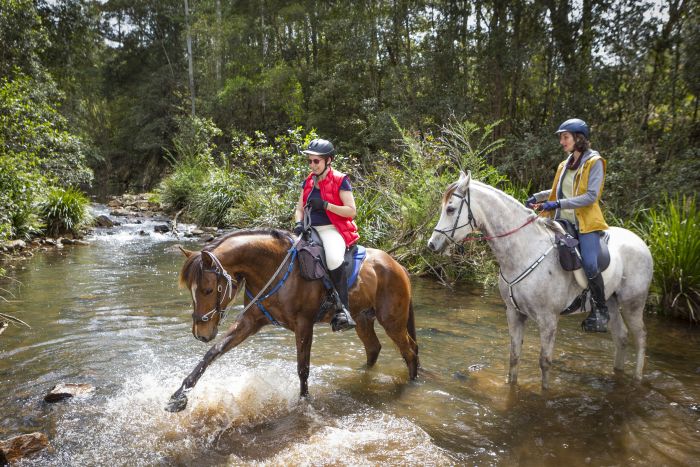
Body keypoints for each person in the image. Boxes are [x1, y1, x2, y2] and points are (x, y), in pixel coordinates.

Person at [526, 118, 610, 332]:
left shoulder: (595, 162)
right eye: (561, 137)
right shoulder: (565, 164)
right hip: (562, 221)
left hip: (586, 224)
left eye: (565, 137)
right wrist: (538, 197)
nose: (561, 141)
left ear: (578, 138)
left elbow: (590, 196)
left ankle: (600, 310)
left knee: (590, 264)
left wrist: (558, 203)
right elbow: (557, 191)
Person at [293, 138, 358, 332]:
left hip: (332, 229)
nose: (312, 165)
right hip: (309, 228)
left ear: (328, 160)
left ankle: (343, 311)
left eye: (316, 161)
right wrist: (298, 223)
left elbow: (351, 211)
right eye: (310, 161)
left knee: (332, 258)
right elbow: (299, 208)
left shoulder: (341, 180)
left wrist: (327, 205)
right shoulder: (308, 181)